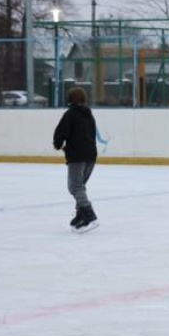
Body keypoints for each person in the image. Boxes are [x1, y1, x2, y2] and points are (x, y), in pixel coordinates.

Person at [53, 87, 100, 232]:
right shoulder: (89, 115)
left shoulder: (70, 114)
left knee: (75, 187)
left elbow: (61, 132)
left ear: (71, 99)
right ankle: (81, 215)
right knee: (80, 186)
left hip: (78, 156)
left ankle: (89, 213)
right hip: (91, 155)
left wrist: (58, 144)